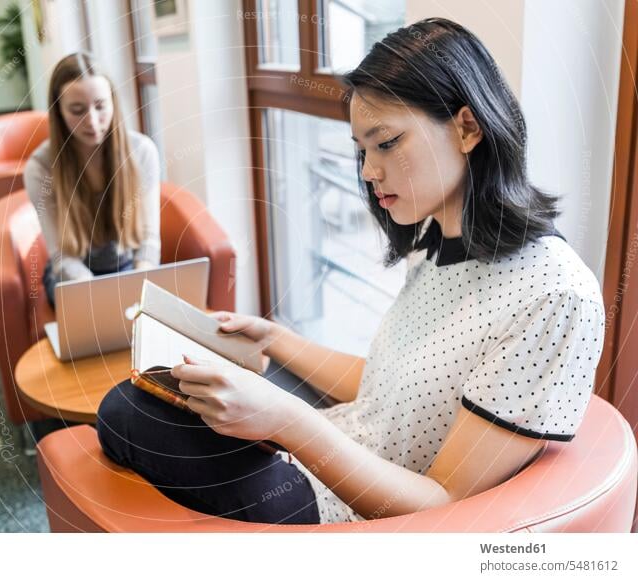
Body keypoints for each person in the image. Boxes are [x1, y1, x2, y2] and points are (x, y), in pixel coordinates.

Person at [95, 18, 606, 525]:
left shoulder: (555, 296)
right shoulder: (442, 244)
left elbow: (443, 506)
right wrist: (275, 338)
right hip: (333, 447)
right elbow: (387, 388)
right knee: (159, 391)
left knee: (126, 412)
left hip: (349, 513)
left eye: (386, 143)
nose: (367, 172)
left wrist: (287, 420)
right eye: (362, 150)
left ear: (467, 127)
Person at [24, 52, 161, 310]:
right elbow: (62, 259)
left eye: (100, 106)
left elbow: (149, 242)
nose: (92, 121)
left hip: (129, 269)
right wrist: (103, 299)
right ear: (59, 112)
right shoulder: (40, 168)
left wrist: (143, 283)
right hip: (71, 276)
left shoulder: (142, 151)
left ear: (113, 103)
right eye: (77, 110)